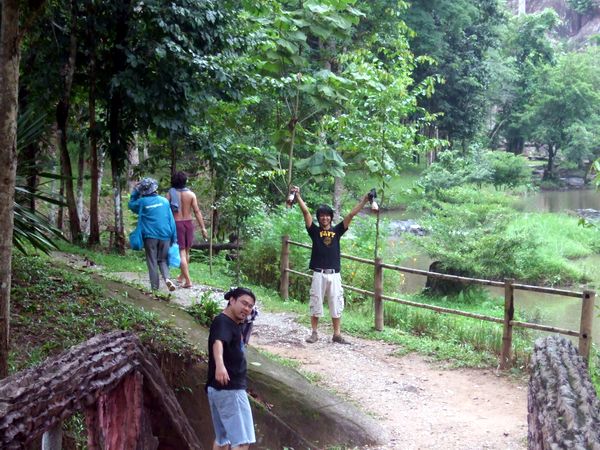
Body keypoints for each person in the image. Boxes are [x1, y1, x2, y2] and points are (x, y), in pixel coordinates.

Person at [293, 186, 369, 345]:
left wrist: (364, 201)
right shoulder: (314, 231)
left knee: (336, 302)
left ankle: (337, 334)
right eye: (322, 216)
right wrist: (298, 196)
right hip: (319, 273)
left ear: (331, 217)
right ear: (319, 218)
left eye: (327, 215)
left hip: (334, 274)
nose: (324, 218)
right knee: (316, 301)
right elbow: (306, 213)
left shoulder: (337, 231)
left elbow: (351, 214)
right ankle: (314, 333)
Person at [206, 287, 257, 450]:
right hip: (230, 390)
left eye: (250, 306)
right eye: (244, 303)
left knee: (223, 440)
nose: (247, 309)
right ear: (232, 301)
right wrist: (220, 365)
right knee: (242, 441)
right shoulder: (224, 322)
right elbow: (218, 342)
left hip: (219, 389)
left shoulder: (232, 323)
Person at [128, 178, 178, 292]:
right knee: (163, 260)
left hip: (150, 236)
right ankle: (167, 278)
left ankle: (155, 289)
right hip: (165, 235)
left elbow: (131, 205)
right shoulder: (164, 201)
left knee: (152, 261)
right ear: (155, 189)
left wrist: (135, 191)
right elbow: (171, 221)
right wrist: (174, 238)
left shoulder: (142, 202)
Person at [166, 171, 208, 288]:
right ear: (185, 181)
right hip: (188, 224)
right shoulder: (191, 194)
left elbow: (165, 210)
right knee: (186, 252)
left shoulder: (170, 193)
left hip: (177, 224)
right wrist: (203, 228)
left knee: (182, 253)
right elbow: (197, 211)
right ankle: (181, 276)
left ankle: (188, 281)